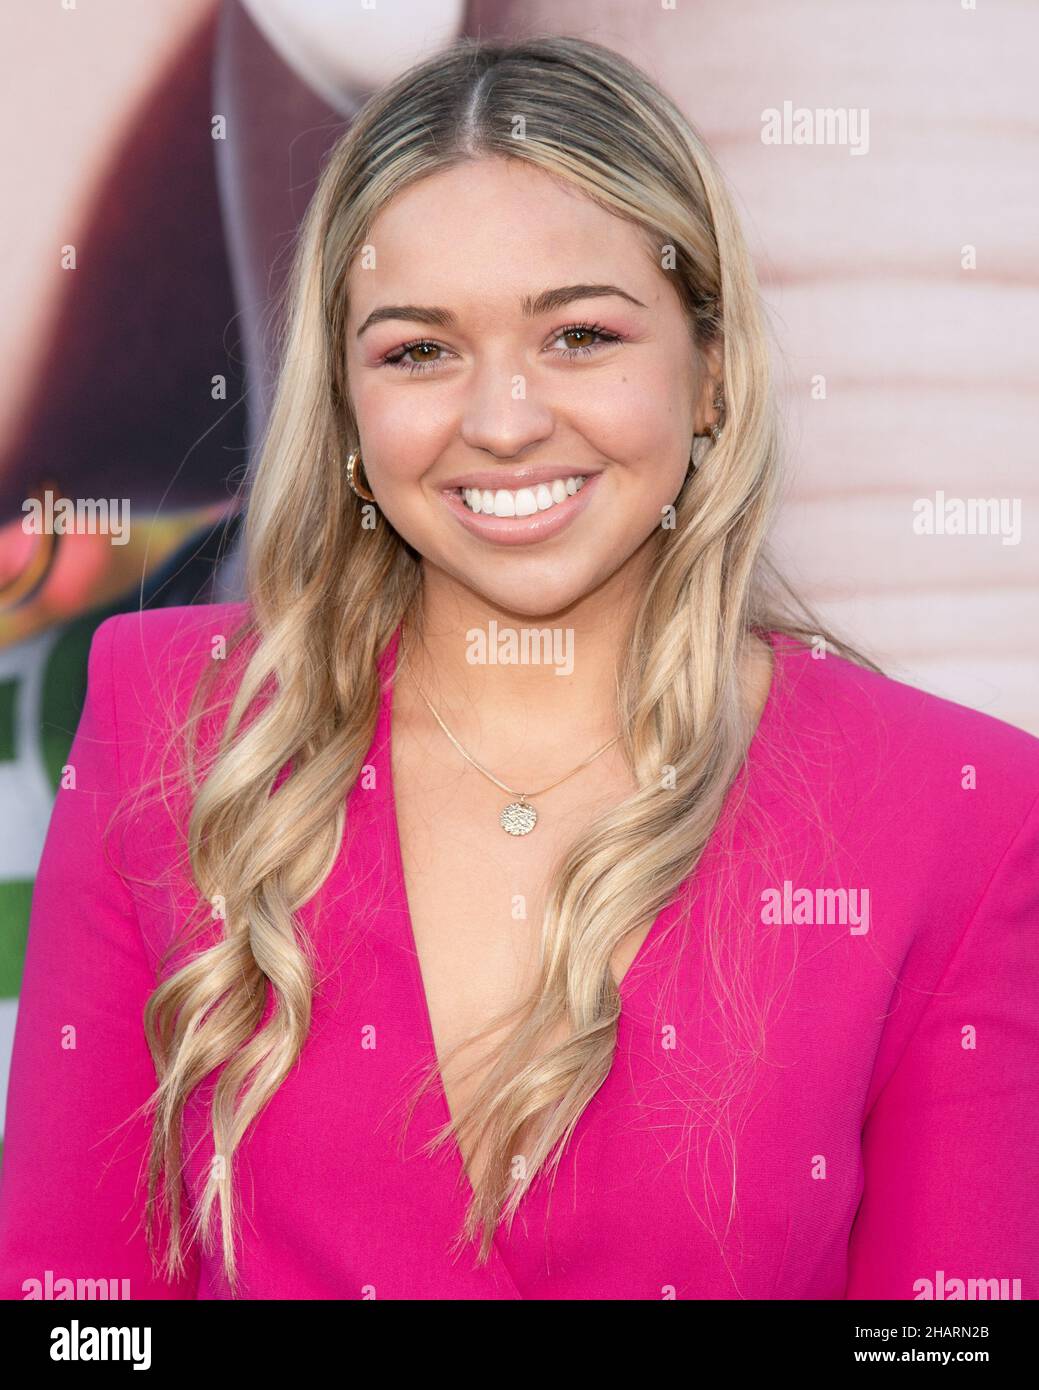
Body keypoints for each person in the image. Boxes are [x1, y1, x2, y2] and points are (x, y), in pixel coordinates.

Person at [1, 35, 1036, 1302]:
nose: (501, 420)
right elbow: (72, 1316)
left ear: (709, 372)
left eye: (581, 336)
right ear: (343, 399)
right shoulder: (167, 714)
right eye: (418, 351)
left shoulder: (955, 801)